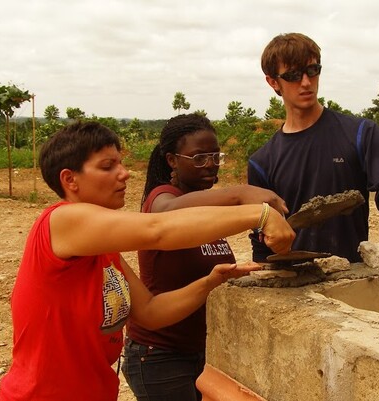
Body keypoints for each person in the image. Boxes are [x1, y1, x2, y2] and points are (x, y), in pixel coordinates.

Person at [0, 121, 295, 401]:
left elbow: (151, 312)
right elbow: (157, 231)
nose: (124, 173)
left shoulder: (102, 252)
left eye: (120, 163)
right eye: (107, 166)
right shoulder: (60, 220)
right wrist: (258, 213)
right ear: (69, 179)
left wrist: (210, 281)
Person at [122, 114, 288, 401]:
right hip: (162, 355)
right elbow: (166, 213)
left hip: (200, 351)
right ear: (173, 160)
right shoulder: (162, 198)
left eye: (215, 156)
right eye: (199, 158)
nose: (211, 164)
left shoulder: (207, 209)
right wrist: (242, 194)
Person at [248, 32, 379, 271]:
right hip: (293, 289)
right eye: (293, 76)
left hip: (352, 279)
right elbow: (262, 241)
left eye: (312, 70)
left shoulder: (360, 133)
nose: (306, 82)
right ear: (273, 82)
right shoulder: (262, 162)